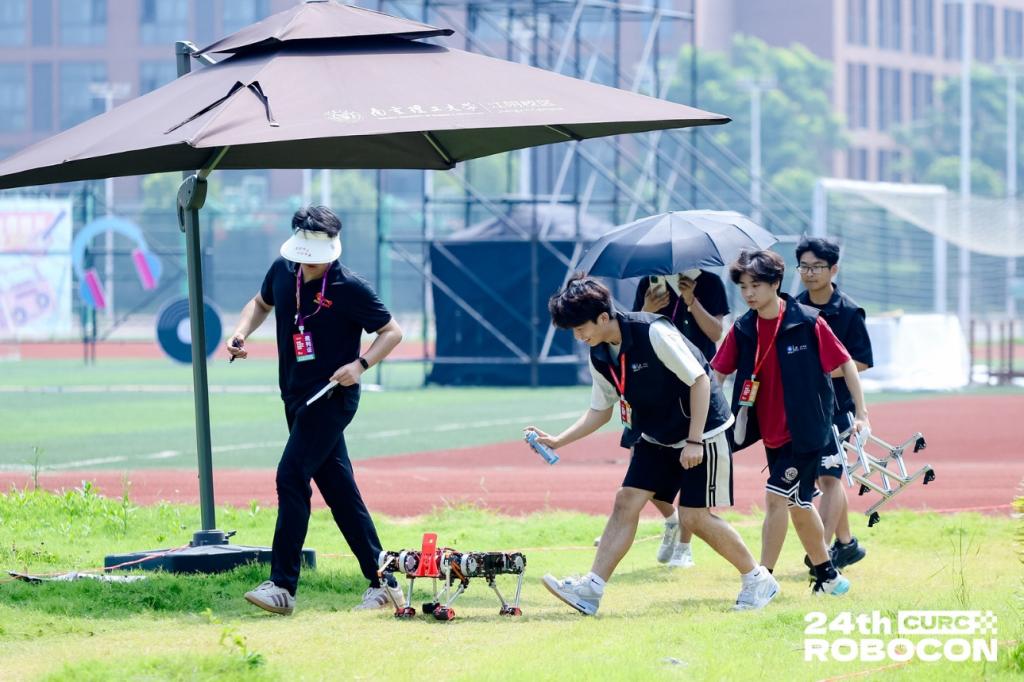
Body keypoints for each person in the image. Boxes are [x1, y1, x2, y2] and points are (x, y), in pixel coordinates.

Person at [528, 275, 778, 615]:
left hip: (703, 431)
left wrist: (694, 440)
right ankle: (591, 590)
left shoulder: (653, 332)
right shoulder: (599, 353)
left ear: (603, 317)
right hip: (656, 434)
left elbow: (700, 381)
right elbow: (600, 411)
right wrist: (558, 440)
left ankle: (757, 579)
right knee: (626, 500)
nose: (578, 337)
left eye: (580, 328)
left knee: (694, 517)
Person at [228, 206, 404, 615]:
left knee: (291, 476)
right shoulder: (282, 270)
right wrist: (240, 332)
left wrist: (360, 365)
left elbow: (392, 332)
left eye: (314, 258)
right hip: (294, 397)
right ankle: (384, 581)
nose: (307, 264)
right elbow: (259, 303)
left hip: (331, 397)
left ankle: (282, 586)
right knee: (340, 491)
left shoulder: (349, 287)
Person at [711, 250, 870, 597]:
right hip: (771, 434)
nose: (748, 293)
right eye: (743, 287)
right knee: (799, 503)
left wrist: (862, 414)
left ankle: (763, 580)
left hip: (807, 432)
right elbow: (717, 373)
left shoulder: (808, 322)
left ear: (775, 283)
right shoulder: (744, 328)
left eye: (755, 285)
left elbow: (846, 364)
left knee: (775, 497)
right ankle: (829, 576)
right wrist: (713, 411)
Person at [629, 269, 730, 568]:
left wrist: (691, 300)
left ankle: (684, 547)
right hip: (654, 388)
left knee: (691, 469)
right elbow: (633, 329)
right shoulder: (648, 281)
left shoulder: (709, 282)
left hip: (695, 385)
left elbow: (716, 333)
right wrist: (647, 308)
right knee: (640, 468)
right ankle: (671, 520)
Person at [794, 237, 873, 572]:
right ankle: (846, 544)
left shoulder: (849, 312)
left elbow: (862, 362)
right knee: (822, 479)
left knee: (828, 478)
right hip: (801, 409)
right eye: (804, 267)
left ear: (833, 269)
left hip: (838, 409)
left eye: (817, 267)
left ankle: (821, 555)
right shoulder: (793, 308)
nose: (810, 273)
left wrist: (821, 369)